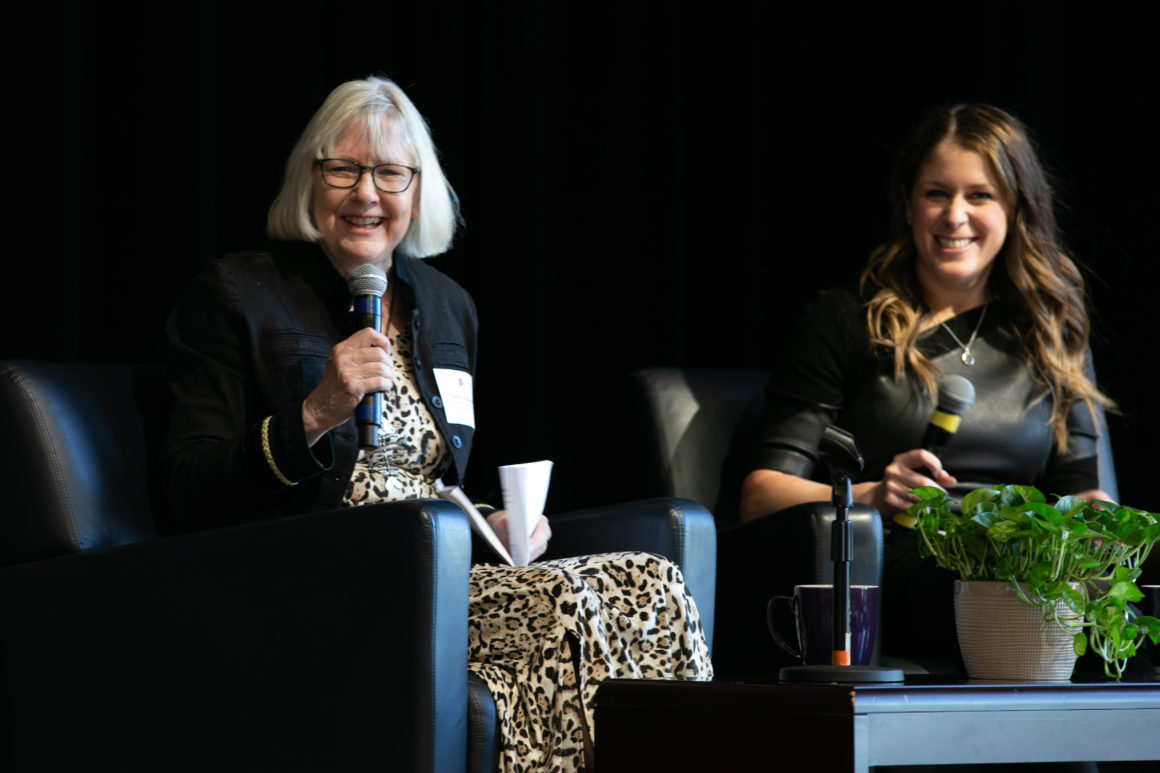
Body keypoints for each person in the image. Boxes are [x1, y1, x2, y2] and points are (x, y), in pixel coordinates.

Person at [162, 76, 711, 772]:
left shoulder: (448, 308)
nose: (366, 193)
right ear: (311, 179)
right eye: (344, 170)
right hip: (310, 574)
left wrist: (493, 525)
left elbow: (427, 479)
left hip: (437, 569)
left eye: (390, 173)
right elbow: (188, 483)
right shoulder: (239, 294)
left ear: (417, 190)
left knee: (654, 581)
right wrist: (313, 414)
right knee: (570, 602)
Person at [739, 103, 1114, 658]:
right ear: (908, 205)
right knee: (1008, 592)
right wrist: (873, 495)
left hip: (1028, 562)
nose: (955, 216)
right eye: (937, 193)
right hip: (904, 563)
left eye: (979, 195)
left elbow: (1078, 490)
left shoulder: (1051, 329)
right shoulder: (847, 320)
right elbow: (760, 496)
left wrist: (1101, 520)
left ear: (1015, 208)